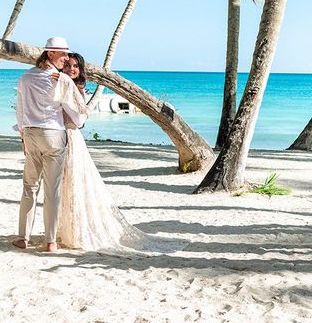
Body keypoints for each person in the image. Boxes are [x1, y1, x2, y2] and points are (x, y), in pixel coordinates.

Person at [55, 52, 185, 253]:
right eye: (68, 65)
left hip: (71, 137)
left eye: (76, 66)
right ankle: (65, 230)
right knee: (65, 185)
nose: (72, 69)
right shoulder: (63, 85)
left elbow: (79, 120)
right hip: (59, 137)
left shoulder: (76, 89)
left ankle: (77, 232)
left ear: (80, 71)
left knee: (76, 184)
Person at [13, 37, 87, 252]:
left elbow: (20, 110)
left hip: (30, 133)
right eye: (63, 54)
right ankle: (50, 241)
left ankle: (23, 238)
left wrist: (23, 134)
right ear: (50, 54)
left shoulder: (25, 77)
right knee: (51, 189)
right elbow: (77, 116)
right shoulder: (59, 80)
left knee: (29, 188)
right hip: (53, 134)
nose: (66, 58)